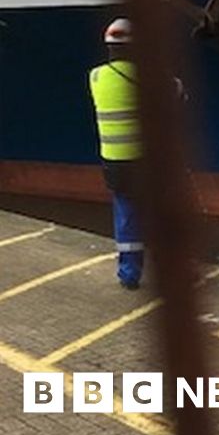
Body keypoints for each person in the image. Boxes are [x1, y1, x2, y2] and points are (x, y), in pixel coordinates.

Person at [89, 18, 145, 289]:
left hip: (113, 161)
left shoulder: (96, 76)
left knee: (126, 214)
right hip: (145, 160)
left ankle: (129, 274)